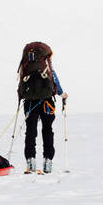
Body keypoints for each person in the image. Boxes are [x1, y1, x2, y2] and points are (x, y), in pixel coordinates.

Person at [18, 42, 66, 173]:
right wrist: (62, 94)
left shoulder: (26, 66)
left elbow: (21, 81)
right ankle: (48, 162)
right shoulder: (47, 67)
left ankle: (30, 162)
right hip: (47, 102)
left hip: (30, 102)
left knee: (31, 131)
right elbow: (54, 80)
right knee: (47, 130)